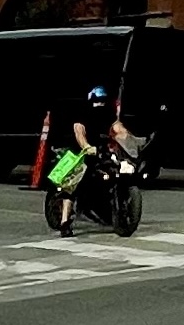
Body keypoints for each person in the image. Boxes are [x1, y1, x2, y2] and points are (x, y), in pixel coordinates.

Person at [55, 86, 130, 235]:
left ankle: (109, 208)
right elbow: (79, 131)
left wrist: (127, 138)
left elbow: (117, 128)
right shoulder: (82, 113)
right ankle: (64, 222)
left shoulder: (108, 114)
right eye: (97, 100)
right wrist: (87, 146)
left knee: (116, 170)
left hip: (101, 152)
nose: (100, 104)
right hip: (80, 153)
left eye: (102, 100)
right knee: (73, 184)